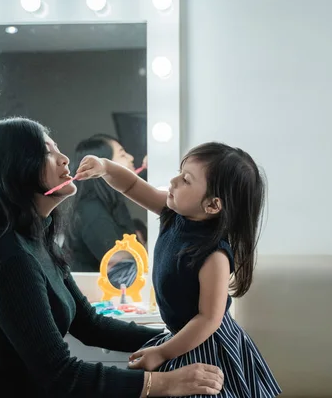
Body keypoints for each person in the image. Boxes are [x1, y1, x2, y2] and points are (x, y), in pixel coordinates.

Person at [0, 118, 224, 397]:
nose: (65, 159)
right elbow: (61, 376)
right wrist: (165, 383)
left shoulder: (38, 240)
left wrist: (170, 342)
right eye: (48, 152)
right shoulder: (9, 259)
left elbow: (90, 325)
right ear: (15, 170)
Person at [74, 142, 282, 397]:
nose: (173, 181)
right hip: (180, 336)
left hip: (206, 346)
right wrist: (105, 167)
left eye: (186, 180)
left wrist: (163, 352)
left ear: (213, 205)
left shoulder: (214, 255)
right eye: (179, 172)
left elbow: (208, 319)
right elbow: (131, 185)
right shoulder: (173, 212)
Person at [64, 134, 146, 272]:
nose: (131, 158)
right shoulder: (92, 212)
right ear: (103, 166)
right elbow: (121, 266)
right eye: (122, 154)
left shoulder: (114, 205)